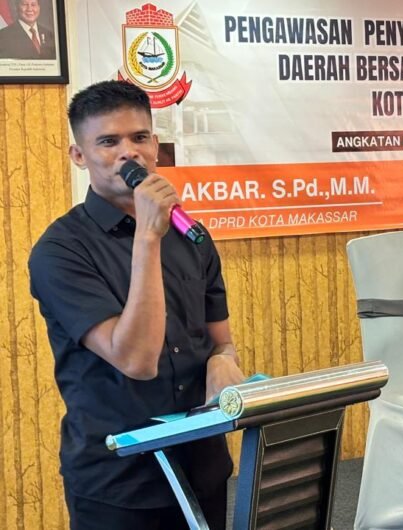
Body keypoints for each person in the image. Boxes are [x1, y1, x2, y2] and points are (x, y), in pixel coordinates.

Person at [28, 80, 245, 529]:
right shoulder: (60, 251)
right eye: (108, 142)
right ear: (79, 156)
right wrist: (148, 235)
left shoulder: (191, 235)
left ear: (155, 146)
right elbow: (136, 360)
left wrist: (223, 361)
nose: (129, 153)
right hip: (120, 482)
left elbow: (220, 340)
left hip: (202, 467)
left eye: (139, 137)